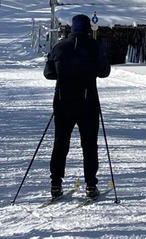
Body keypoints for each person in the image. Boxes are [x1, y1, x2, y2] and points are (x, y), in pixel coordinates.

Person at [43, 14, 111, 200]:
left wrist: (65, 73)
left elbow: (48, 73)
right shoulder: (94, 46)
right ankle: (90, 185)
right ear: (88, 28)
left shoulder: (59, 47)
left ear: (71, 28)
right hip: (88, 102)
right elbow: (104, 72)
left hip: (63, 101)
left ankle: (56, 184)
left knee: (60, 143)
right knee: (89, 145)